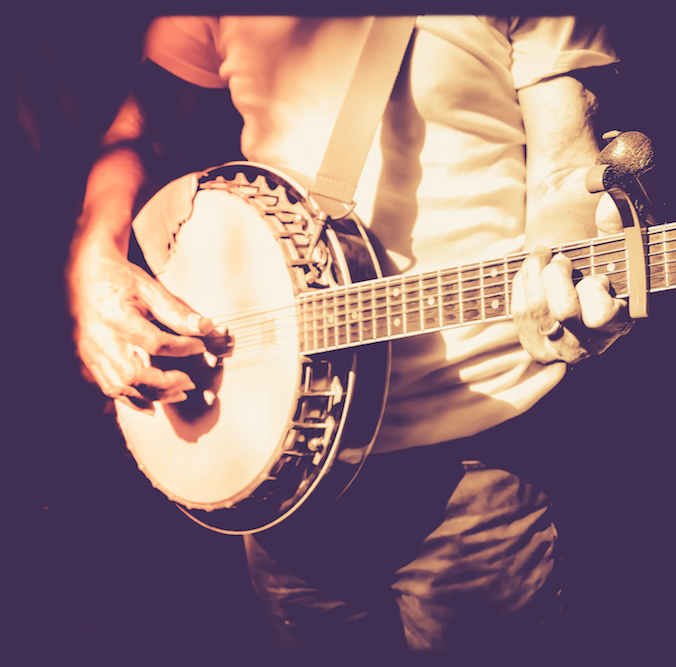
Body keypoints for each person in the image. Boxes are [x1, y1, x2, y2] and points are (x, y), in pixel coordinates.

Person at [66, 15, 632, 664]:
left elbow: (567, 171)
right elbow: (137, 131)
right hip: (280, 467)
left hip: (477, 464)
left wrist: (563, 267)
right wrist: (93, 260)